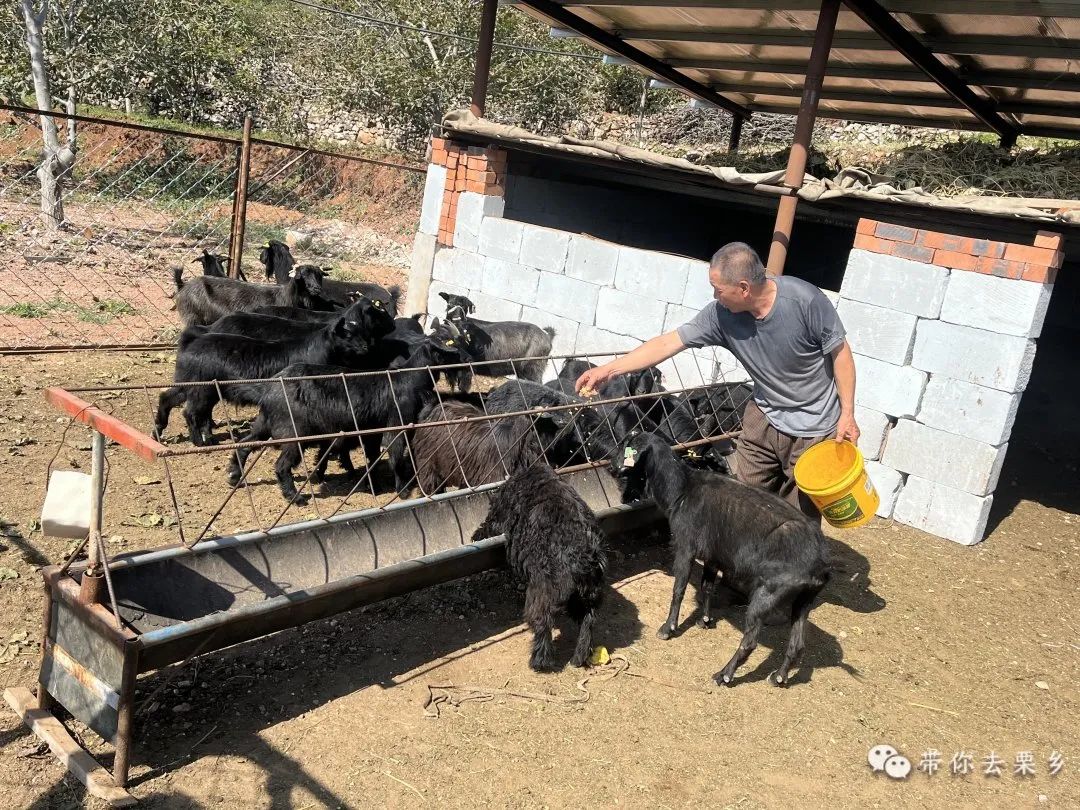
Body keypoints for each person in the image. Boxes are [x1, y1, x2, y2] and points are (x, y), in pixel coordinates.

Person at [576, 242, 859, 520]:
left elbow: (841, 354)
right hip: (765, 416)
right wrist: (609, 370)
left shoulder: (804, 301)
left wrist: (847, 414)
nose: (714, 296)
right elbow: (667, 343)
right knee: (745, 503)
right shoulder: (720, 316)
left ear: (744, 288)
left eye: (718, 289)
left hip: (813, 426)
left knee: (798, 516)